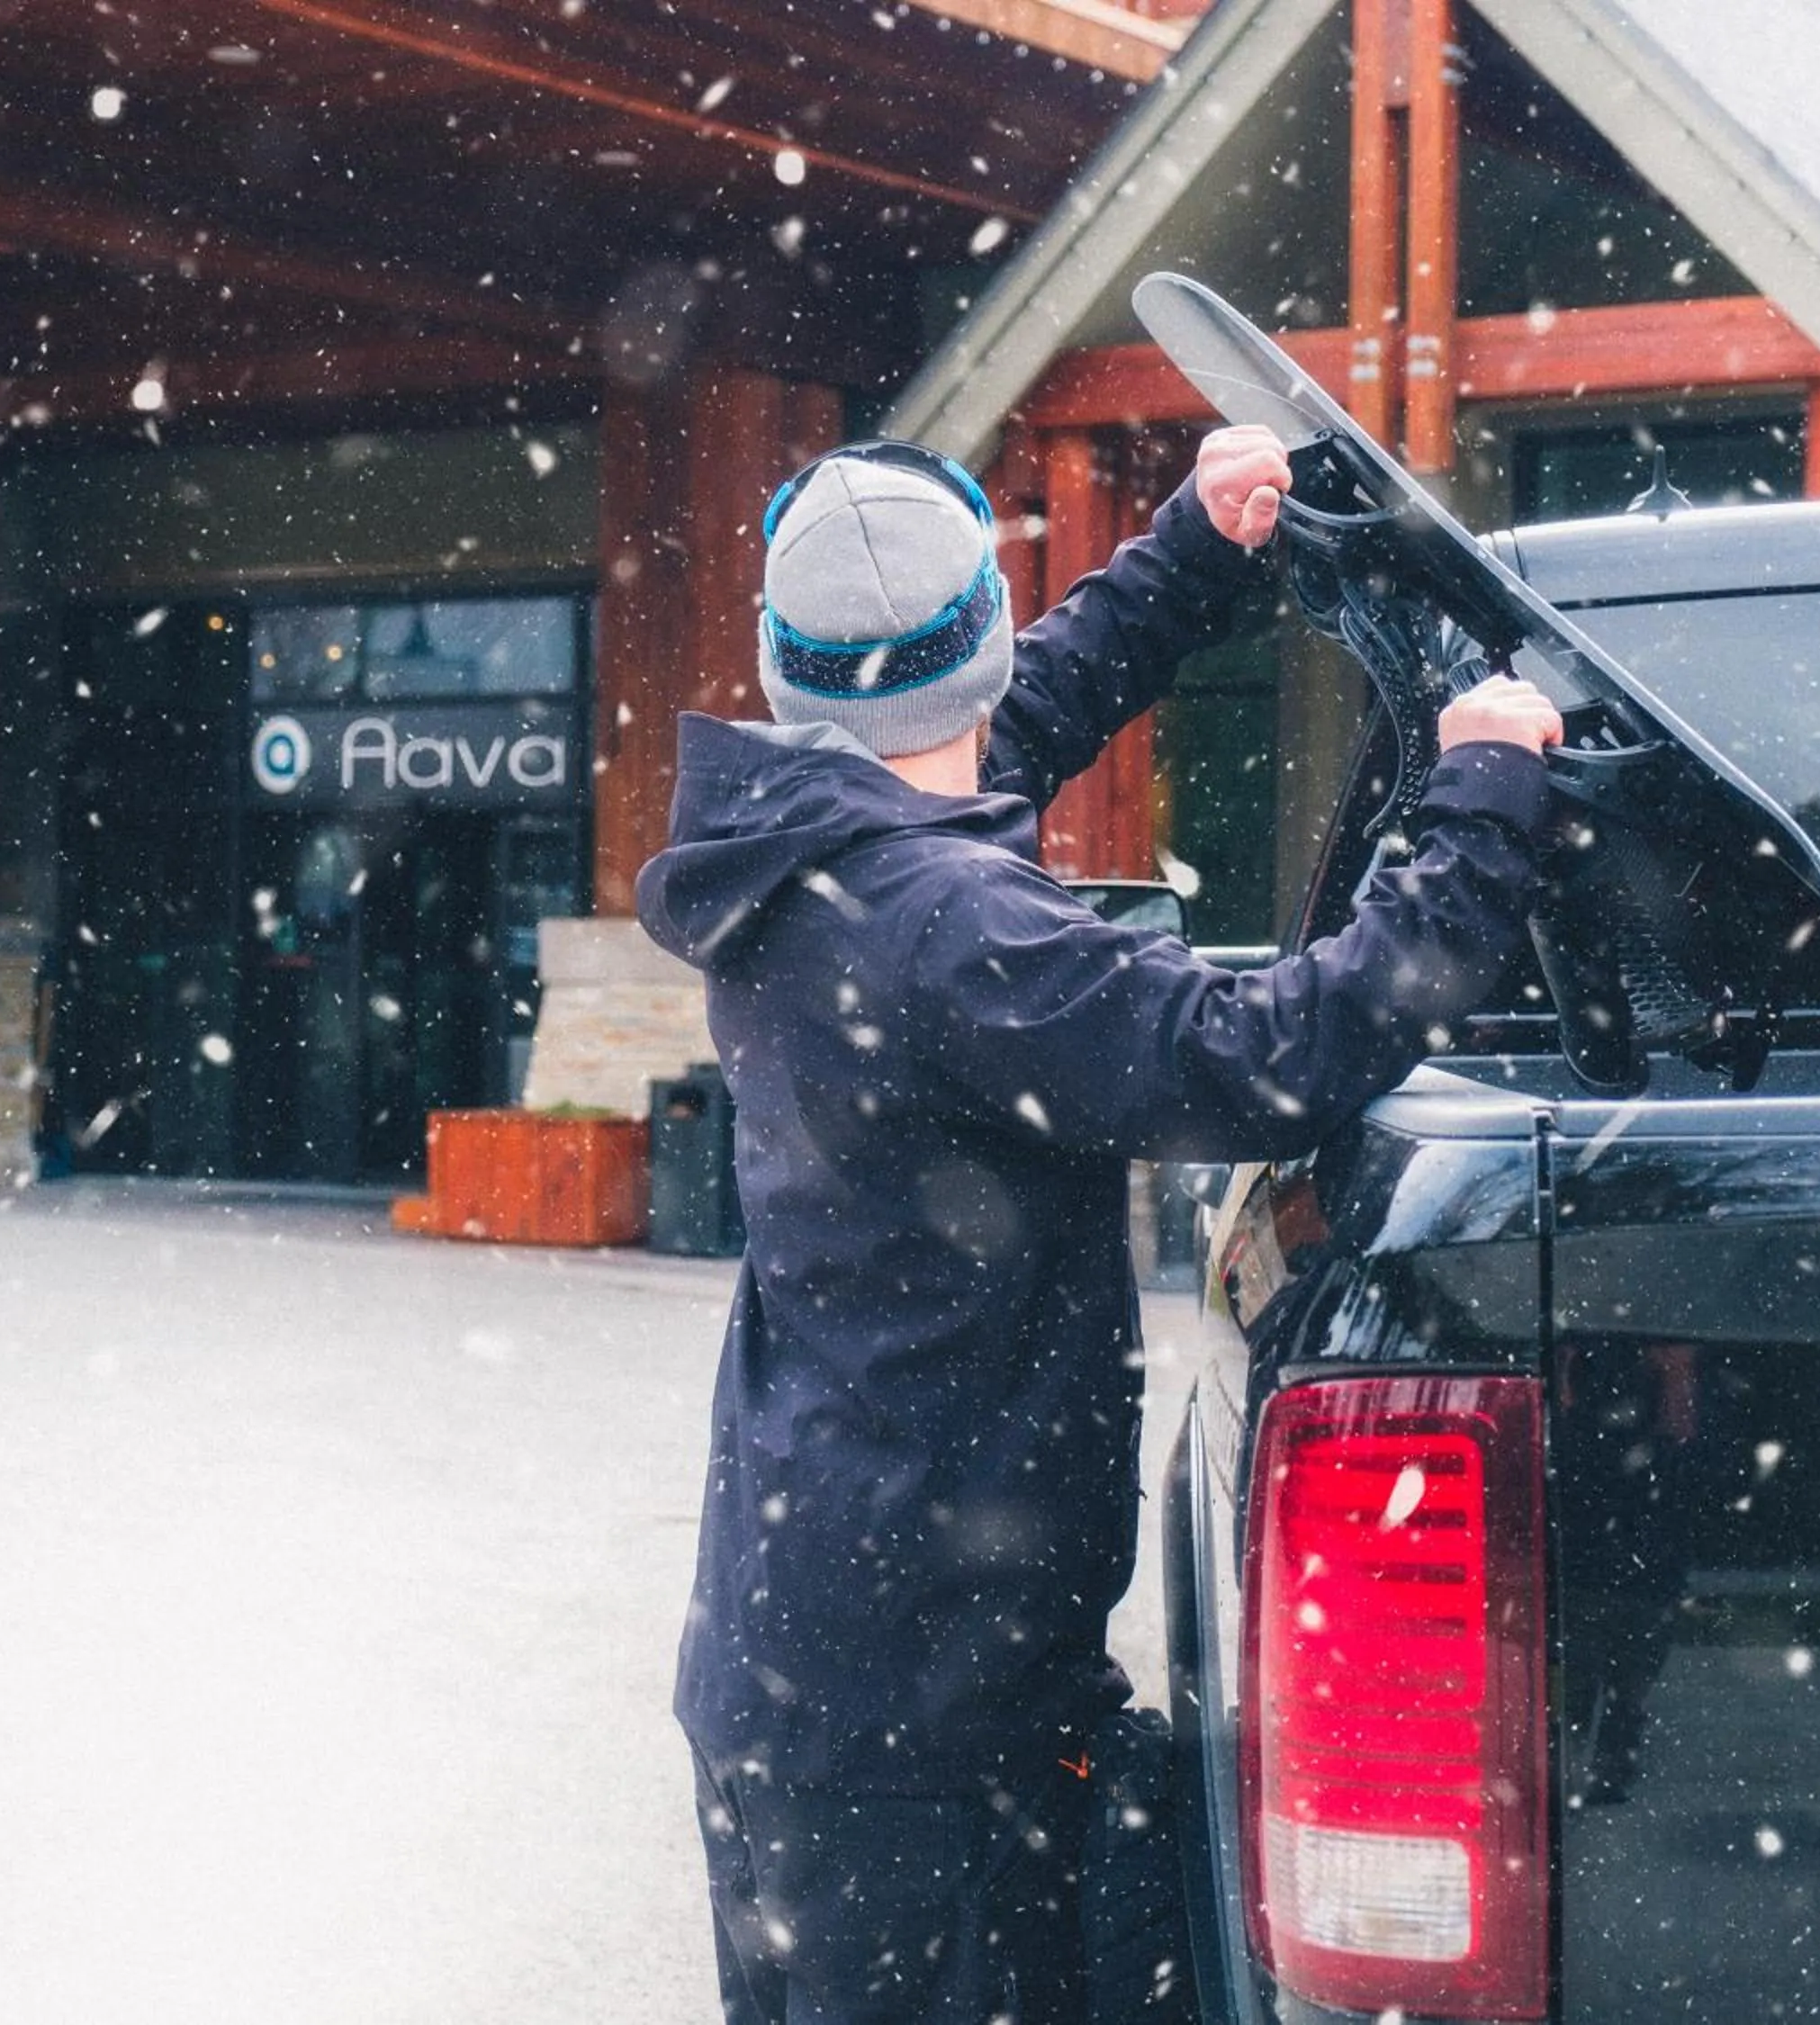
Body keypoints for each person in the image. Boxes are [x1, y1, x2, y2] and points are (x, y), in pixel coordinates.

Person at [637, 424, 1573, 2024]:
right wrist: (1485, 807)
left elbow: (1020, 710)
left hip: (818, 1668)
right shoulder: (959, 933)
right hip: (921, 1718)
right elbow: (1275, 1054)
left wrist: (1196, 550)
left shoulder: (803, 853)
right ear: (972, 652)